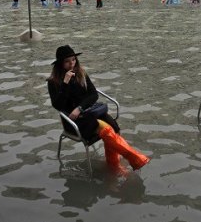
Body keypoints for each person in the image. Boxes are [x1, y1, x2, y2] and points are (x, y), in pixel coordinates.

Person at [47, 46, 149, 174]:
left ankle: (114, 165)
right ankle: (131, 160)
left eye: (73, 59)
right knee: (106, 130)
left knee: (113, 126)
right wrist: (65, 84)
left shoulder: (81, 73)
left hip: (88, 112)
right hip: (73, 121)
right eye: (67, 61)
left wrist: (80, 108)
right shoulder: (53, 82)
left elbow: (93, 95)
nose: (72, 63)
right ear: (60, 64)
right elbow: (58, 105)